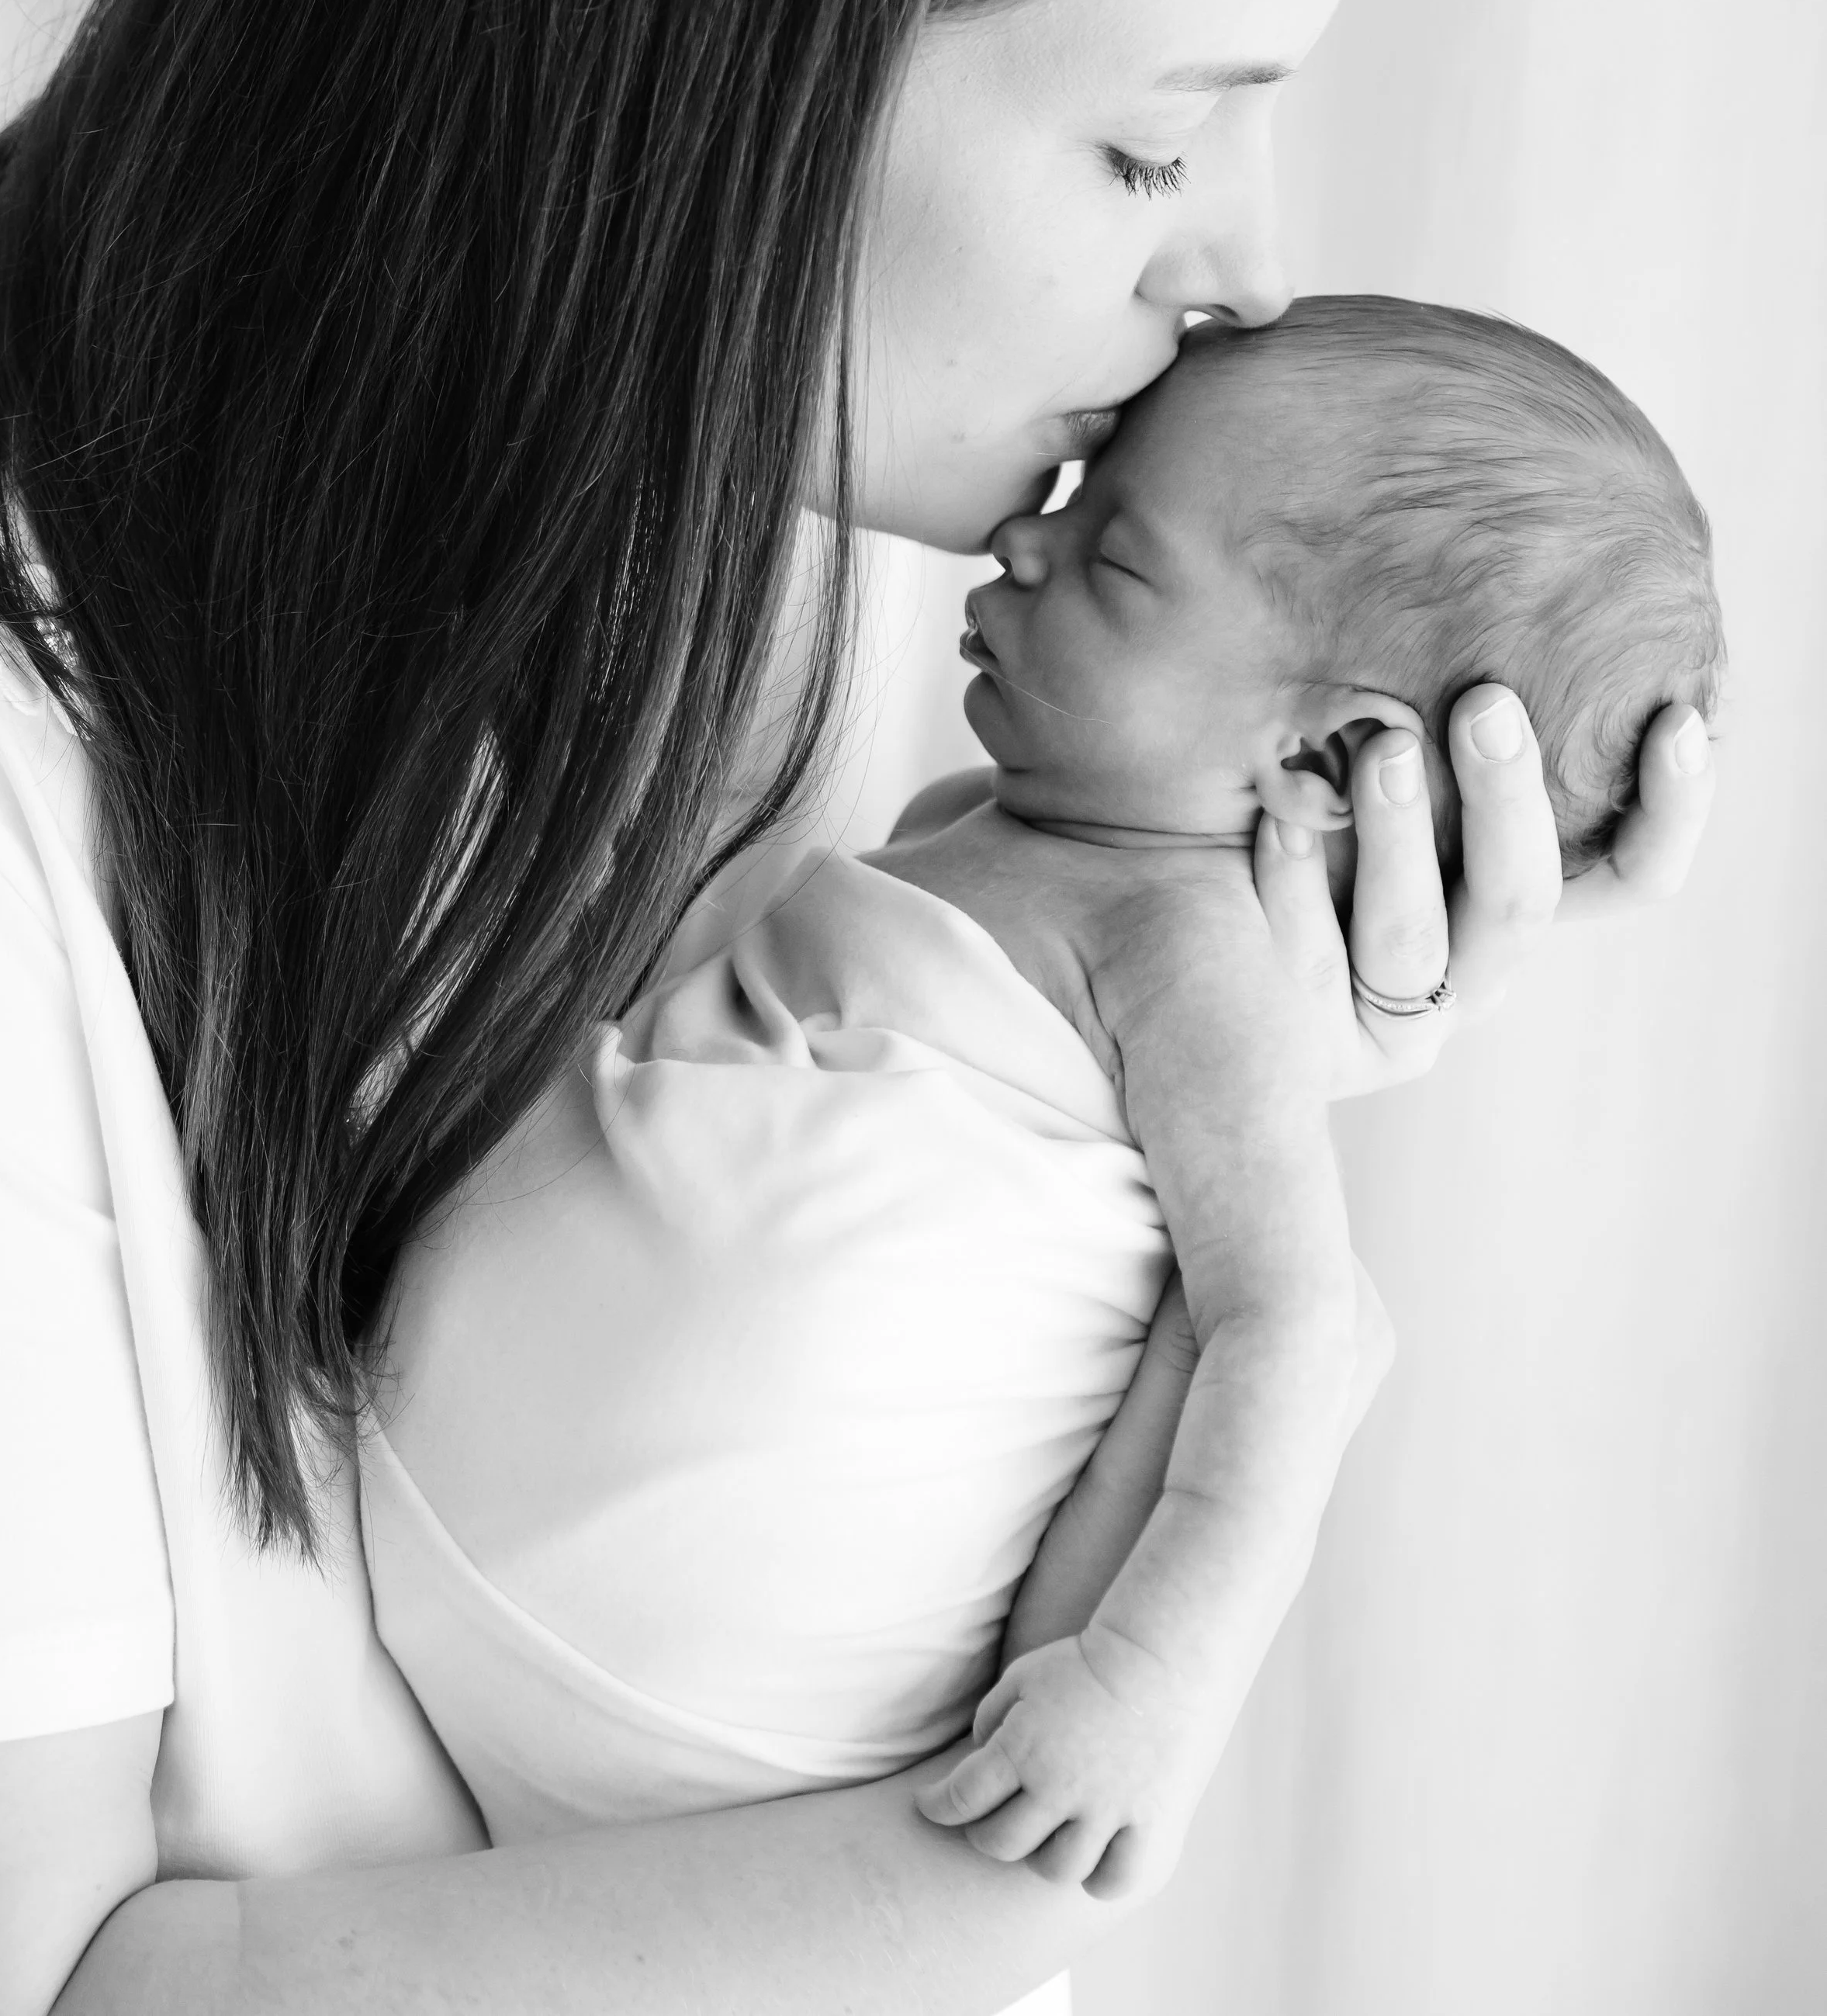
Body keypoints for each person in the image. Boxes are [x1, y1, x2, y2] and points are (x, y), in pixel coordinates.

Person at [0, 0, 1712, 2016]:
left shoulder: (748, 577)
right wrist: (999, 1861)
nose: (1240, 289)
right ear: (705, 27)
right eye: (1145, 143)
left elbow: (714, 1450)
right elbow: (16, 1982)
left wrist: (1165, 1062)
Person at [357, 291, 1722, 1926]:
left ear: (1327, 749)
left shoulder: (1192, 965)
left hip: (701, 1731)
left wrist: (1148, 1673)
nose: (1020, 544)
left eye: (1114, 560)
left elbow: (1278, 1330)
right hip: (455, 1584)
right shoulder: (981, 821)